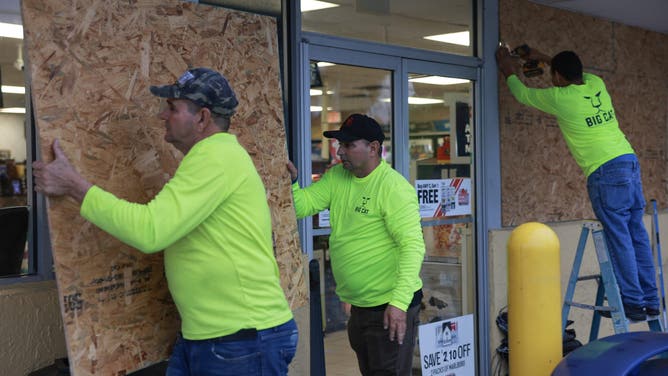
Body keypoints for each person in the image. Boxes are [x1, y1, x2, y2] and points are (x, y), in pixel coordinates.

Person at [33, 67, 298, 375]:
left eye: (172, 108)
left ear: (202, 118)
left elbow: (151, 231)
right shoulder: (216, 157)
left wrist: (75, 186)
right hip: (212, 337)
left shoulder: (215, 158)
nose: (162, 115)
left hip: (242, 339)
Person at [496, 45, 660, 321]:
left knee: (620, 237)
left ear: (558, 76)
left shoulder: (561, 98)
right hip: (629, 162)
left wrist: (507, 68)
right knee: (637, 234)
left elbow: (522, 94)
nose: (551, 78)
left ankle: (632, 303)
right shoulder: (597, 83)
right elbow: (572, 71)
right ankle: (651, 301)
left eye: (552, 74)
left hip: (605, 172)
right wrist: (544, 58)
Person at [287, 113, 425, 375]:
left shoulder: (393, 187)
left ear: (374, 148)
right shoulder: (337, 176)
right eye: (340, 145)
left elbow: (413, 246)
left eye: (349, 145)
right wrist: (291, 183)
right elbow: (302, 206)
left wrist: (398, 304)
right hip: (360, 307)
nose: (340, 152)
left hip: (390, 306)